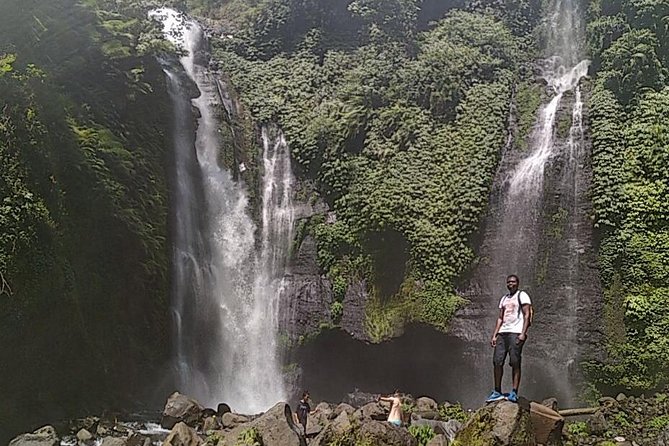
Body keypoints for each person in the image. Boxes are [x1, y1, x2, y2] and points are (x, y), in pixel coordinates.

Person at [486, 274, 532, 403]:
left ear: (517, 283)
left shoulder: (522, 295)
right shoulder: (504, 298)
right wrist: (495, 334)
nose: (510, 284)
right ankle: (497, 391)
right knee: (497, 361)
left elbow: (527, 314)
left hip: (516, 332)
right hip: (503, 333)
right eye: (508, 282)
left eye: (513, 282)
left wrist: (523, 333)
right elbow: (500, 318)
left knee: (515, 361)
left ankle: (514, 391)